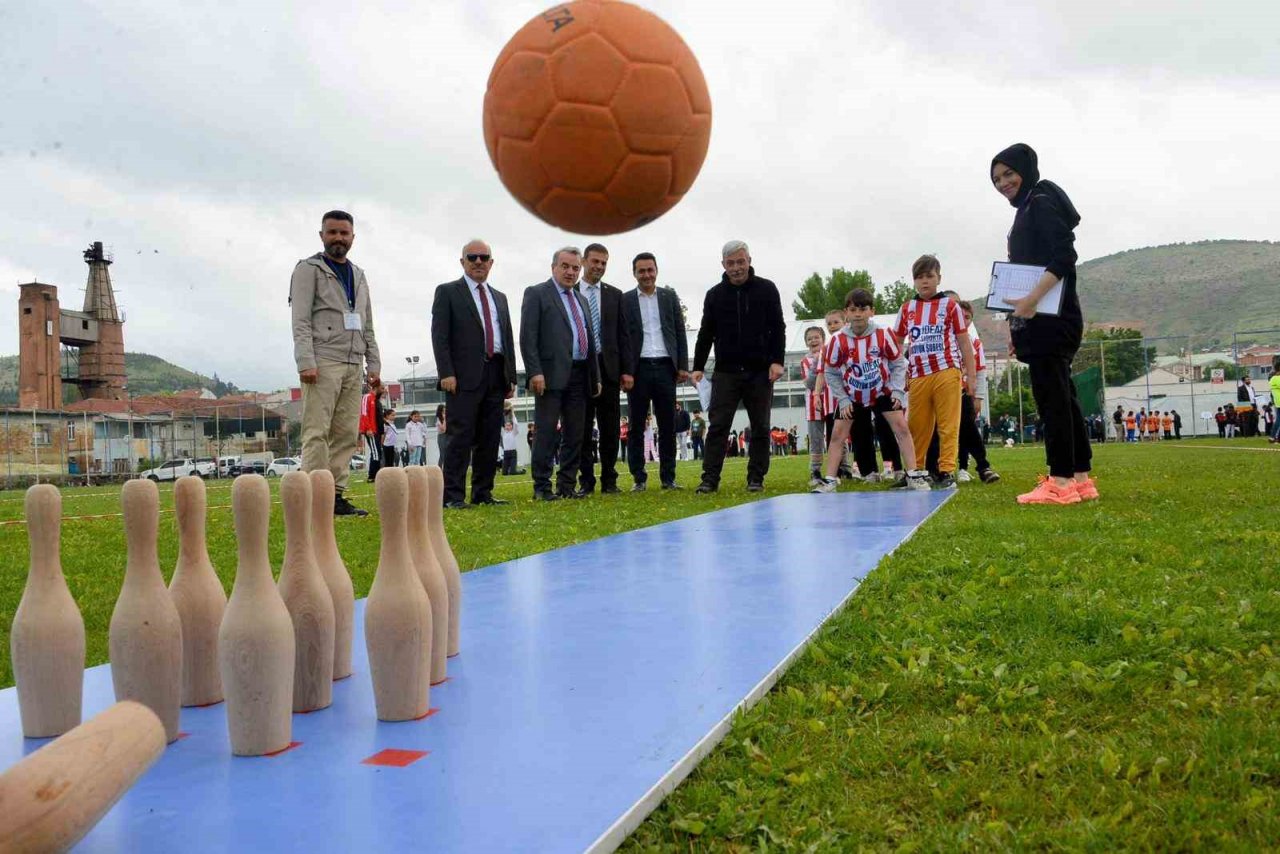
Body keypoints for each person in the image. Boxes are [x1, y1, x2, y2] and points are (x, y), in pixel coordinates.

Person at [991, 143, 1094, 504]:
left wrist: (1033, 299)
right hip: (1045, 319)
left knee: (1052, 400)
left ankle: (1060, 482)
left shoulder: (1040, 202)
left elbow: (1065, 255)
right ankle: (1080, 477)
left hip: (1052, 317)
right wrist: (1018, 323)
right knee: (1064, 396)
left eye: (1008, 174)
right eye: (997, 179)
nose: (1003, 183)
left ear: (1026, 169)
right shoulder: (1030, 206)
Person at [290, 210, 381, 517]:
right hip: (322, 362)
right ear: (322, 236)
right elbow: (300, 320)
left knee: (345, 433)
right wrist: (306, 361)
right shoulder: (308, 270)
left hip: (354, 363)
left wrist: (375, 365)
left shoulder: (359, 275)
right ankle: (314, 496)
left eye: (344, 233)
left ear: (353, 237)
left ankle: (336, 496)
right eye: (332, 233)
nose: (338, 238)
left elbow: (368, 324)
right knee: (317, 431)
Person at [814, 287, 930, 492]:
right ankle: (830, 479)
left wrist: (897, 391)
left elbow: (897, 363)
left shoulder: (884, 334)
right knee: (837, 434)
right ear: (846, 313)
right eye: (853, 309)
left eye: (863, 308)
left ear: (871, 311)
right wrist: (842, 398)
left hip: (882, 391)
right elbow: (830, 372)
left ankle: (912, 474)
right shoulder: (837, 340)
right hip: (852, 395)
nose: (858, 314)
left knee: (901, 428)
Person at [692, 241, 786, 493]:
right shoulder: (714, 295)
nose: (736, 268)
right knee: (718, 426)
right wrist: (698, 366)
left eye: (740, 262)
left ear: (749, 260)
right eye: (731, 263)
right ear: (723, 265)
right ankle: (709, 478)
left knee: (760, 426)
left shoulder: (767, 289)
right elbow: (705, 333)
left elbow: (778, 327)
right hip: (725, 372)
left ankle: (756, 477)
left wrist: (778, 361)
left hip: (759, 371)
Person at [430, 239, 517, 509]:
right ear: (462, 261)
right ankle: (453, 496)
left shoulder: (499, 297)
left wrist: (510, 375)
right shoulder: (448, 292)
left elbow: (507, 336)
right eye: (472, 257)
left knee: (490, 437)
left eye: (484, 257)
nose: (478, 262)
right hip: (462, 376)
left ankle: (483, 492)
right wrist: (447, 372)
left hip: (495, 373)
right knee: (460, 436)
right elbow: (440, 336)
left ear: (491, 262)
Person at [521, 247, 602, 501]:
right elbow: (528, 337)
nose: (570, 272)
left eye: (575, 268)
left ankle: (566, 486)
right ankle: (542, 487)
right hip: (549, 375)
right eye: (565, 266)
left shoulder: (581, 299)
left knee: (575, 433)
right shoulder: (536, 294)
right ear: (553, 267)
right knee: (546, 432)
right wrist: (535, 371)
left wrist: (595, 376)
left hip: (580, 375)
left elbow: (589, 339)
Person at [891, 256, 976, 490]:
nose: (924, 282)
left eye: (929, 276)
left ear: (939, 278)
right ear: (914, 281)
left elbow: (964, 342)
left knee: (948, 424)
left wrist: (972, 375)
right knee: (916, 425)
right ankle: (914, 470)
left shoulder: (950, 306)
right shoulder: (907, 308)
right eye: (919, 277)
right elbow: (896, 344)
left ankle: (946, 470)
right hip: (917, 375)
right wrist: (893, 374)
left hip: (947, 371)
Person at [621, 252, 689, 491]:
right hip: (638, 369)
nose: (646, 275)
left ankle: (668, 478)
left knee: (668, 424)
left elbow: (680, 332)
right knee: (636, 427)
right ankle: (638, 478)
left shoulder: (669, 297)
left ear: (656, 270)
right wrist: (625, 371)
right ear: (635, 273)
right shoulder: (626, 300)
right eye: (642, 271)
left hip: (664, 367)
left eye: (650, 270)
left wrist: (682, 366)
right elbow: (623, 338)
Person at [577, 243, 632, 495]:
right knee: (583, 428)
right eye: (595, 261)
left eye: (603, 263)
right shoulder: (571, 291)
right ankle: (586, 480)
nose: (599, 266)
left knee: (610, 429)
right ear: (584, 261)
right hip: (580, 368)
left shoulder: (615, 295)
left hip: (608, 368)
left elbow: (623, 336)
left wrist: (627, 370)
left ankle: (610, 479)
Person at [800, 325, 828, 485]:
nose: (813, 340)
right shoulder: (806, 361)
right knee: (816, 440)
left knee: (836, 437)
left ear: (823, 339)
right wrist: (816, 364)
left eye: (816, 337)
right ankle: (815, 471)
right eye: (809, 339)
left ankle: (842, 468)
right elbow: (810, 383)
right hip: (813, 407)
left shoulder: (831, 354)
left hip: (831, 403)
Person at [360, 378, 384, 484]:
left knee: (377, 452)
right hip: (370, 430)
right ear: (377, 387)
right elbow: (364, 413)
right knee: (375, 453)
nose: (383, 390)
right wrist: (368, 428)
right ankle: (373, 475)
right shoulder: (367, 397)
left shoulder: (375, 399)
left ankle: (374, 475)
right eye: (382, 388)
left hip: (375, 430)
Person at [501, 410, 521, 475]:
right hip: (506, 453)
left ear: (512, 426)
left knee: (513, 472)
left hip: (513, 453)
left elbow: (515, 424)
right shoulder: (503, 433)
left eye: (509, 425)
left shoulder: (514, 432)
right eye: (506, 425)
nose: (508, 427)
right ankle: (509, 469)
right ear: (505, 426)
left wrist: (512, 413)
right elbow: (499, 422)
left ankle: (522, 471)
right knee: (504, 473)